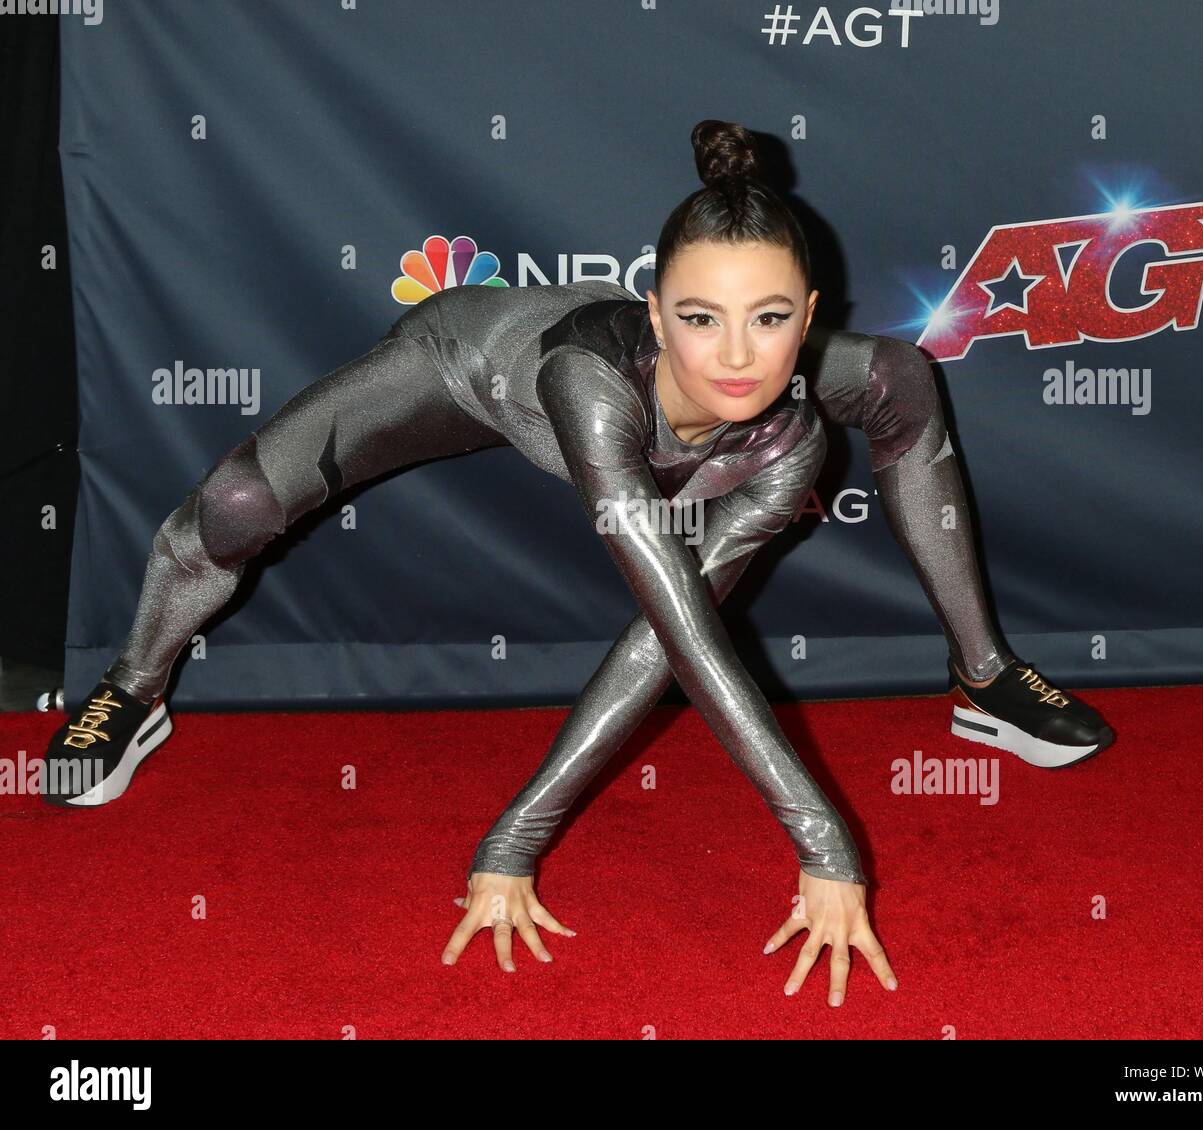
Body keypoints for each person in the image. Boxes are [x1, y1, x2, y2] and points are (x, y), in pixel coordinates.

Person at [42, 120, 1112, 1006]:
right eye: (699, 318)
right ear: (655, 310)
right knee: (233, 501)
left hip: (712, 446)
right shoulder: (588, 384)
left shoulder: (793, 442)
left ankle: (984, 680)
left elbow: (668, 637)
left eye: (770, 319)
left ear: (809, 319)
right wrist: (824, 839)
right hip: (469, 364)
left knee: (902, 377)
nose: (737, 354)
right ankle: (133, 687)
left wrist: (509, 835)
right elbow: (685, 626)